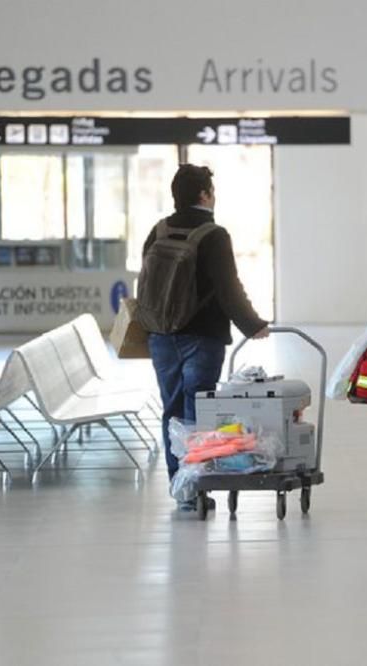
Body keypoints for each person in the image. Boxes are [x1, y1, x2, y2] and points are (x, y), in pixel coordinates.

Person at [142, 164, 270, 510]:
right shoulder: (213, 234)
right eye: (211, 191)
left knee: (172, 410)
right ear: (204, 194)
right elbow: (229, 289)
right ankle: (196, 484)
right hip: (202, 337)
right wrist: (253, 324)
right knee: (197, 410)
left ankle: (181, 489)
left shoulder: (159, 231)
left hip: (162, 336)